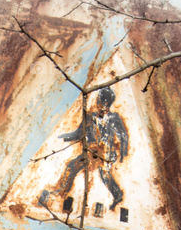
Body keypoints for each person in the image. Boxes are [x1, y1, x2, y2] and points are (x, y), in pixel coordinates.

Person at [39, 85, 129, 215]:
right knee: (72, 166)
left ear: (108, 103)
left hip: (106, 154)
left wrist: (123, 153)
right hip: (91, 152)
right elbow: (78, 133)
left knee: (106, 176)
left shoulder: (114, 118)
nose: (101, 104)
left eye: (105, 101)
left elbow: (123, 136)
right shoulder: (90, 116)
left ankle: (117, 195)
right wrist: (63, 137)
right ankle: (61, 191)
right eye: (100, 100)